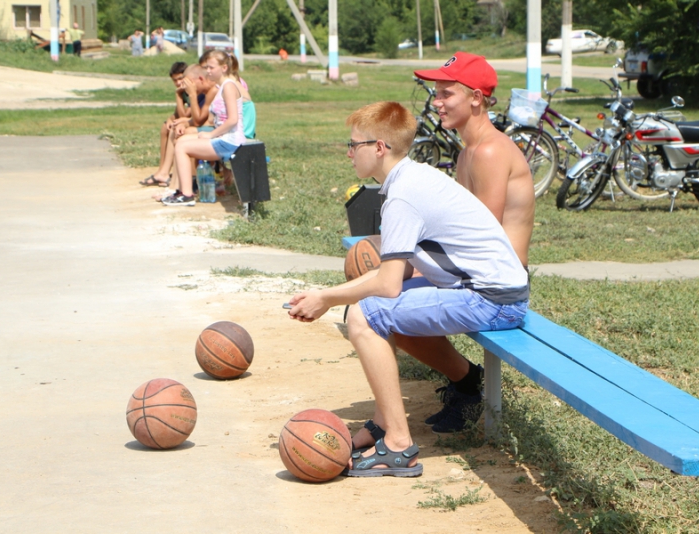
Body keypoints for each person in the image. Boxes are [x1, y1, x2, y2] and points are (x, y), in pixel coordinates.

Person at [287, 101, 530, 477]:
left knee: (365, 315)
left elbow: (385, 283)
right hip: (495, 292)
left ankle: (398, 445)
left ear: (379, 148)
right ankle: (383, 422)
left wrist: (326, 297)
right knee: (382, 312)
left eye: (355, 145)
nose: (349, 153)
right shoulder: (411, 178)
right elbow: (395, 277)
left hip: (492, 300)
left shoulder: (402, 196)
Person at [384, 53, 533, 433]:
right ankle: (465, 381)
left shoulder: (488, 152)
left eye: (446, 93)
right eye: (436, 93)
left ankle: (467, 385)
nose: (436, 102)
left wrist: (414, 265)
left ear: (476, 99)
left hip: (492, 286)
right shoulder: (469, 150)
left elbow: (483, 236)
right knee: (386, 300)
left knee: (387, 308)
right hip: (472, 274)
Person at [164, 51, 246, 206]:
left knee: (182, 147)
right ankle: (182, 191)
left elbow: (233, 120)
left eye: (211, 68)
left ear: (223, 68)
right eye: (207, 67)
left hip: (231, 141)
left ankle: (186, 194)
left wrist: (211, 135)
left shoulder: (228, 86)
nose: (208, 71)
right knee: (182, 142)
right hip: (224, 137)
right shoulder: (222, 86)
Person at [140, 63, 218, 190]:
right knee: (168, 127)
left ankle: (179, 185)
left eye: (182, 79)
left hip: (215, 131)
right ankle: (164, 173)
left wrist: (189, 95)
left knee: (179, 135)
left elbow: (194, 119)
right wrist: (172, 119)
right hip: (207, 127)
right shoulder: (200, 90)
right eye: (175, 80)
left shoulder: (206, 91)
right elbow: (179, 114)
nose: (181, 83)